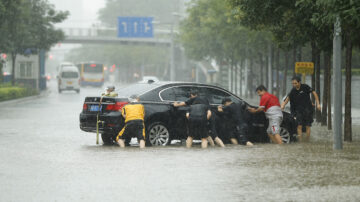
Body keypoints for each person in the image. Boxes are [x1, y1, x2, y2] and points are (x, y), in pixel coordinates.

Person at [281, 76, 321, 142]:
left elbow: (314, 93)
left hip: (308, 110)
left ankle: (307, 140)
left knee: (308, 126)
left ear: (299, 82)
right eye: (293, 83)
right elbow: (287, 99)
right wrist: (282, 106)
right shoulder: (293, 90)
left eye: (295, 83)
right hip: (298, 111)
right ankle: (301, 141)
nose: (294, 85)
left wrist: (318, 104)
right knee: (299, 126)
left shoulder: (305, 87)